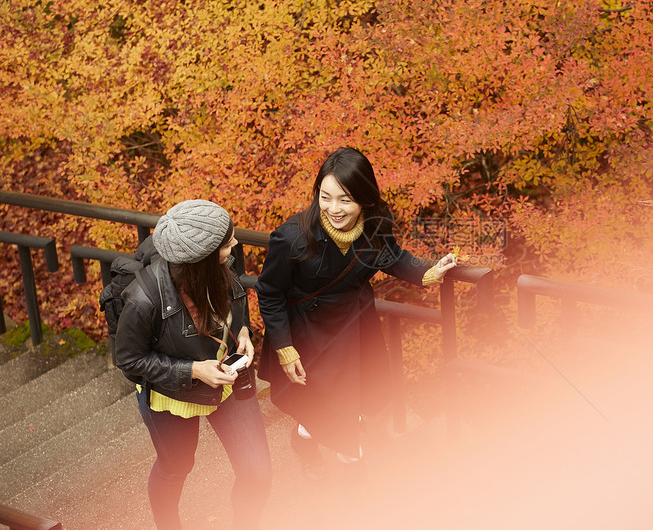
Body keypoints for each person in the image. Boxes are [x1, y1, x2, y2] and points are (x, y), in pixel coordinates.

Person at [256, 147, 457, 479]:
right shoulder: (292, 237)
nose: (334, 209)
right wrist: (284, 347)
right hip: (310, 333)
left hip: (354, 324)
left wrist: (428, 272)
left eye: (345, 199)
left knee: (346, 400)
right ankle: (356, 480)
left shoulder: (375, 225)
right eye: (325, 197)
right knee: (335, 408)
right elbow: (270, 291)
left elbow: (391, 257)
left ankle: (305, 438)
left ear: (363, 197)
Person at [114, 199, 272, 529]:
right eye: (228, 242)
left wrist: (242, 329)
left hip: (226, 384)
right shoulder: (144, 299)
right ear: (202, 258)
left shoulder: (223, 264)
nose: (236, 244)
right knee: (176, 467)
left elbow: (236, 300)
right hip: (173, 397)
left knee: (257, 471)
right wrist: (191, 371)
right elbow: (128, 358)